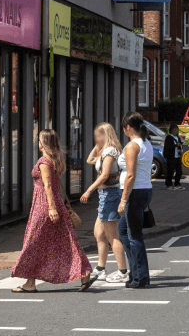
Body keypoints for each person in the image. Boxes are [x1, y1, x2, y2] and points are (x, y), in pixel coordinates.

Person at [11, 129, 94, 292]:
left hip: (45, 205)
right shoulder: (56, 159)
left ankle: (30, 283)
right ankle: (84, 273)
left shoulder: (44, 161)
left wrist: (51, 208)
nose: (38, 142)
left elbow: (47, 185)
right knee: (67, 240)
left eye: (40, 140)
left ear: (44, 143)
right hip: (56, 203)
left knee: (33, 242)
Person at [80, 123, 129, 283]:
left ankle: (123, 272)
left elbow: (105, 174)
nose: (95, 139)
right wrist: (98, 144)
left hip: (110, 195)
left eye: (97, 136)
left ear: (104, 135)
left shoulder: (110, 152)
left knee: (112, 236)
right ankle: (101, 269)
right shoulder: (104, 150)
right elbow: (89, 160)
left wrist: (88, 190)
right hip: (105, 196)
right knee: (99, 234)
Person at [118, 112, 155, 288]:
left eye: (124, 128)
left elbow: (131, 175)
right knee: (124, 230)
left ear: (128, 127)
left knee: (134, 236)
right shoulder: (147, 143)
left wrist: (123, 200)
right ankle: (135, 273)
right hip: (145, 189)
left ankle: (140, 278)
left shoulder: (132, 146)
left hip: (134, 192)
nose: (124, 131)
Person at [164, 125, 183, 190]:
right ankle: (168, 184)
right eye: (175, 129)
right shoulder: (168, 137)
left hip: (177, 156)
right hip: (171, 156)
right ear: (172, 130)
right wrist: (175, 145)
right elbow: (168, 147)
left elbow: (180, 144)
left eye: (177, 129)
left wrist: (180, 145)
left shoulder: (177, 137)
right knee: (170, 171)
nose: (177, 131)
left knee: (179, 171)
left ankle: (177, 184)